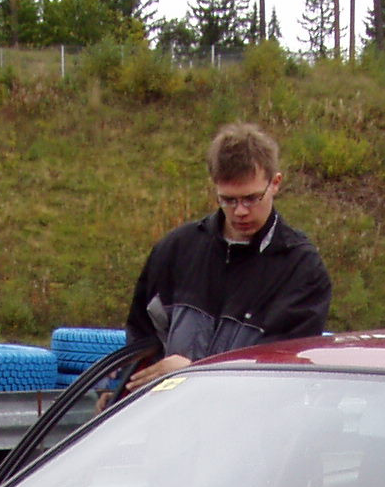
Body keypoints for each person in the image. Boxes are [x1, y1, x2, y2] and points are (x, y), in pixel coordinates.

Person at [123, 123, 332, 391]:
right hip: (171, 419)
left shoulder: (301, 268)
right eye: (228, 200)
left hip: (249, 424)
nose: (241, 211)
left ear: (275, 183)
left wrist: (193, 373)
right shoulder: (176, 250)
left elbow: (281, 371)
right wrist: (120, 392)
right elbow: (141, 343)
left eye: (251, 198)